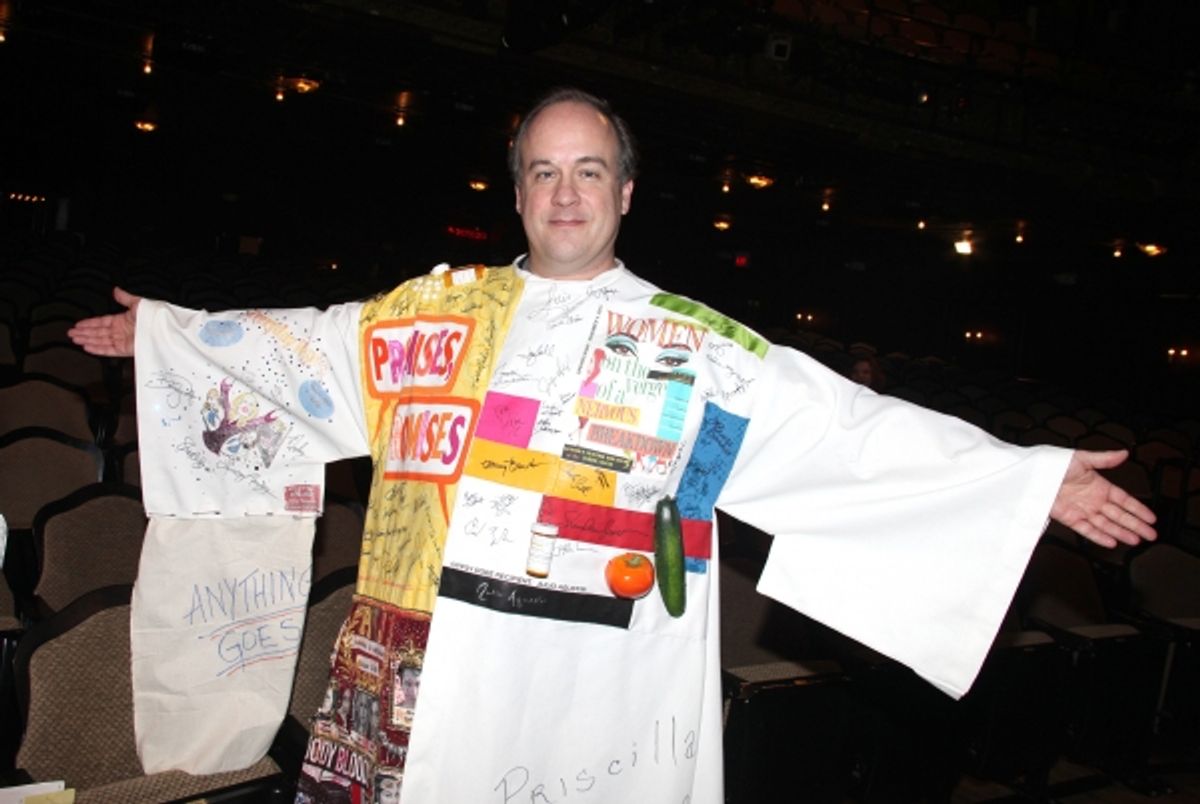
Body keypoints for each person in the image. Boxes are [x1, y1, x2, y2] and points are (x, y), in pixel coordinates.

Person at [70, 87, 1156, 804]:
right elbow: (306, 348)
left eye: (588, 170)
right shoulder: (433, 317)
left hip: (609, 673)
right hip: (443, 664)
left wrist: (1027, 481)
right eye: (544, 171)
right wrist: (169, 339)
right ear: (518, 192)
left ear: (625, 193)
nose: (566, 192)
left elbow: (844, 431)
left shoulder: (695, 348)